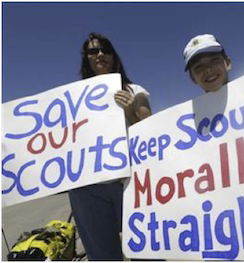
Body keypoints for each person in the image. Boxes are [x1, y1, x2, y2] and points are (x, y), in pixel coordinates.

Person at [68, 32, 151, 261]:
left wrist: (129, 110)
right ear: (87, 59)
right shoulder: (73, 100)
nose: (100, 54)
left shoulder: (135, 90)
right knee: (102, 256)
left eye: (105, 49)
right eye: (93, 51)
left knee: (148, 252)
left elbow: (151, 128)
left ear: (114, 57)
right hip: (88, 190)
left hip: (130, 182)